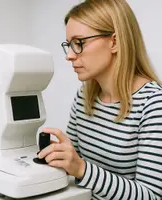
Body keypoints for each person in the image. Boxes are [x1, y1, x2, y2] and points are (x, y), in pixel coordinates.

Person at [38, 0, 162, 199]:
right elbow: (73, 168)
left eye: (79, 43)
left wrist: (82, 169)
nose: (69, 55)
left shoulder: (153, 105)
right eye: (68, 45)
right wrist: (60, 157)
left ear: (114, 42)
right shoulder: (85, 96)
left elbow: (152, 196)